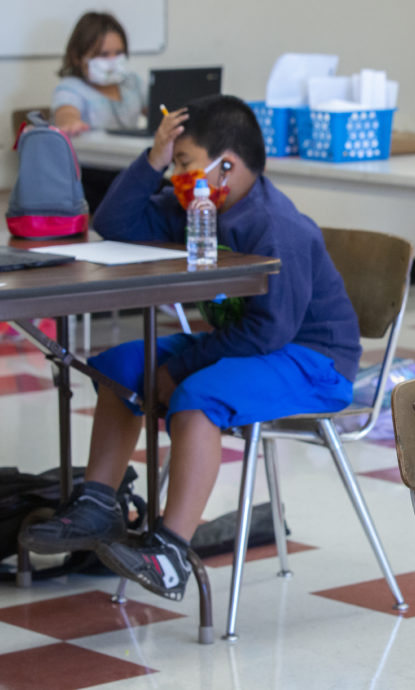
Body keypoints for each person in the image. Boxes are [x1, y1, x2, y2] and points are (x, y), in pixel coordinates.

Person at [20, 95, 362, 602]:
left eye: (184, 163)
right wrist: (154, 158)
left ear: (227, 166)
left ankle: (172, 552)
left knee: (196, 394)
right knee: (118, 367)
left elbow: (269, 333)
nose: (176, 176)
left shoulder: (278, 228)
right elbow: (115, 222)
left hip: (311, 358)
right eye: (174, 165)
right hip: (253, 343)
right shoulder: (198, 206)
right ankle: (97, 506)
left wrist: (178, 369)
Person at [52, 11, 147, 212]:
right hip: (94, 174)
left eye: (119, 53)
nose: (113, 60)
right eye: (104, 55)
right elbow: (65, 112)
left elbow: (157, 109)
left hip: (130, 166)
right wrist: (70, 121)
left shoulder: (131, 83)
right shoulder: (71, 87)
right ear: (79, 57)